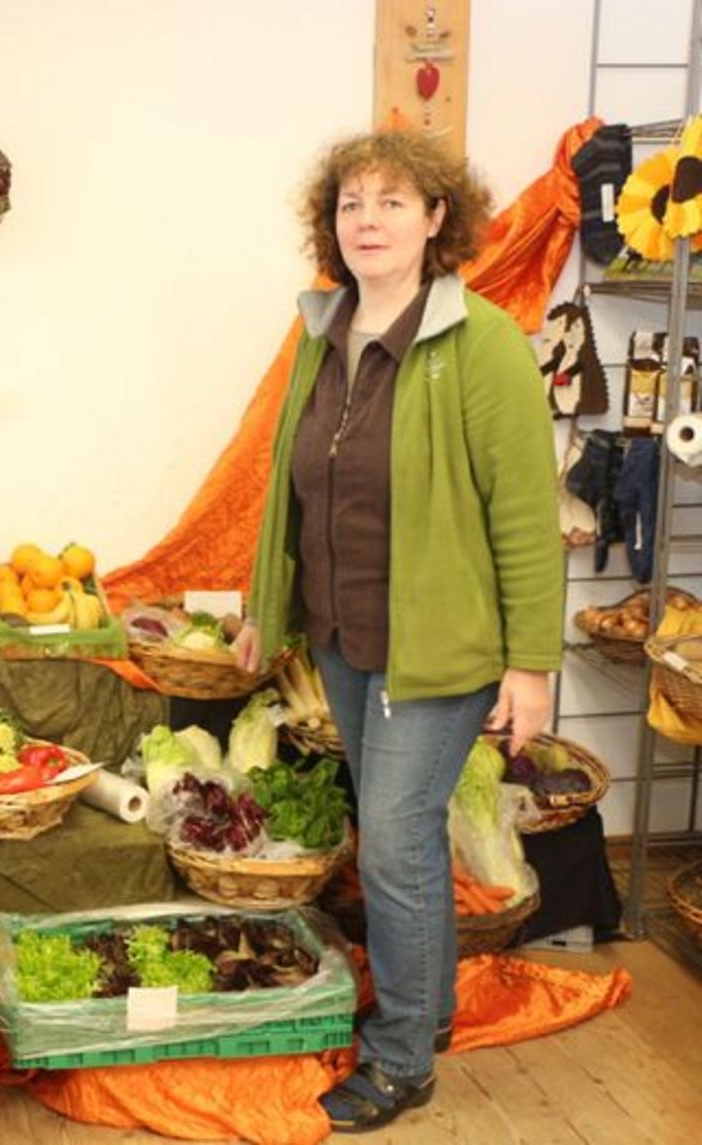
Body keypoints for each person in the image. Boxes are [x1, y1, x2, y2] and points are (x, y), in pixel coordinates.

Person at [234, 130, 562, 1132]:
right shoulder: (319, 331)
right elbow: (288, 482)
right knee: (394, 834)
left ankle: (400, 1055)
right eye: (349, 204)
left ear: (434, 220)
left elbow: (521, 512)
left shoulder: (483, 342)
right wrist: (263, 607)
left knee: (392, 848)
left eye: (389, 202)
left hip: (443, 646)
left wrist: (530, 665)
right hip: (340, 635)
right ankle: (426, 1018)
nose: (365, 220)